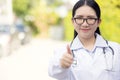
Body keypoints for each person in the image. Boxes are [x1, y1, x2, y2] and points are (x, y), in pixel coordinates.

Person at [48, 0, 120, 80]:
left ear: (99, 22)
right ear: (73, 21)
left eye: (90, 18)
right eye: (79, 18)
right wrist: (61, 65)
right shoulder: (63, 52)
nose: (85, 24)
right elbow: (53, 72)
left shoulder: (115, 50)